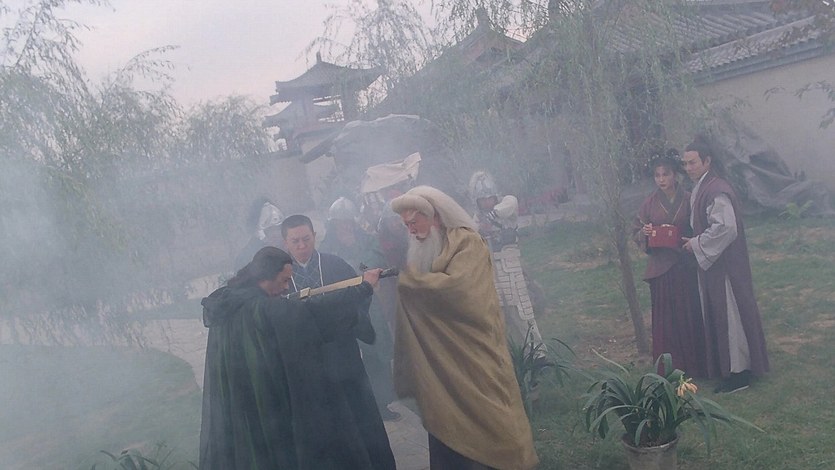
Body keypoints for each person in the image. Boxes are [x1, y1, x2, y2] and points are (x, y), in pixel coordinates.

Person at [390, 185, 539, 470]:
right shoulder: (425, 245)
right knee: (446, 423)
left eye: (414, 222)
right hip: (441, 361)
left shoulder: (466, 242)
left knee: (491, 420)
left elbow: (461, 292)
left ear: (434, 215)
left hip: (474, 353)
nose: (411, 230)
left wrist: (411, 282)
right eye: (406, 225)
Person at [199, 246, 384, 469]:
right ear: (266, 276)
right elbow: (315, 313)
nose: (287, 287)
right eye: (284, 280)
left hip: (240, 398)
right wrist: (363, 288)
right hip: (268, 399)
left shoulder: (228, 301)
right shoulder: (266, 309)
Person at [280, 214, 396, 469]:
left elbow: (358, 302)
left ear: (314, 236)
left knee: (360, 417)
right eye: (295, 241)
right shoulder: (282, 276)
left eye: (306, 239)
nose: (302, 246)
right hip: (307, 363)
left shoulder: (335, 265)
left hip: (344, 356)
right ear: (285, 242)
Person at [681, 139, 770, 393]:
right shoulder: (703, 186)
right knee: (724, 315)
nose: (688, 168)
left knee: (731, 315)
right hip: (717, 264)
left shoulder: (716, 190)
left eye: (693, 162)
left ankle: (739, 373)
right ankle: (730, 367)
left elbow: (726, 228)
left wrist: (697, 244)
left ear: (707, 161)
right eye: (685, 163)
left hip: (727, 267)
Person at [320, 197, 401, 422]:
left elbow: (375, 261)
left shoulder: (366, 239)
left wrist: (356, 258)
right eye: (340, 222)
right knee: (350, 357)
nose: (344, 226)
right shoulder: (327, 247)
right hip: (342, 306)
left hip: (368, 303)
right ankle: (359, 404)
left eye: (347, 221)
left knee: (376, 353)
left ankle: (382, 402)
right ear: (333, 224)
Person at [632, 154, 706, 377]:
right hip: (661, 266)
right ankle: (668, 368)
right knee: (666, 319)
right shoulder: (649, 203)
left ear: (675, 175)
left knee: (688, 314)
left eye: (666, 174)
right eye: (657, 175)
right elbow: (636, 230)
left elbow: (700, 226)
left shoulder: (689, 199)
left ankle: (694, 365)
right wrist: (645, 232)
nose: (661, 179)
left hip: (685, 264)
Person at [468, 171, 549, 362]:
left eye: (489, 197)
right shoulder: (477, 217)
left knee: (522, 312)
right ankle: (510, 356)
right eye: (482, 199)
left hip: (510, 266)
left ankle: (538, 355)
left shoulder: (507, 204)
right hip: (490, 270)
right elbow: (471, 231)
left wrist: (490, 217)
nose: (487, 202)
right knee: (498, 315)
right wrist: (480, 228)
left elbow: (509, 205)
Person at [233, 200, 285, 270]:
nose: (276, 233)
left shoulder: (289, 248)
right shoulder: (246, 259)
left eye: (278, 228)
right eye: (270, 230)